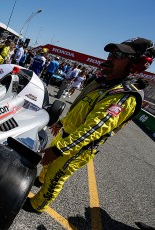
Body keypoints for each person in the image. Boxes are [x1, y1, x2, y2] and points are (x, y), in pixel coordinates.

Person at [22, 37, 155, 214]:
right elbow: (81, 108)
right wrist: (62, 122)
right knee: (48, 165)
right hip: (67, 136)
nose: (111, 57)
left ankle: (38, 205)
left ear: (135, 64)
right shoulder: (103, 83)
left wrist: (59, 150)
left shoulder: (124, 95)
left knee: (57, 176)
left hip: (78, 148)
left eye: (119, 54)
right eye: (112, 52)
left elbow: (92, 129)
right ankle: (41, 179)